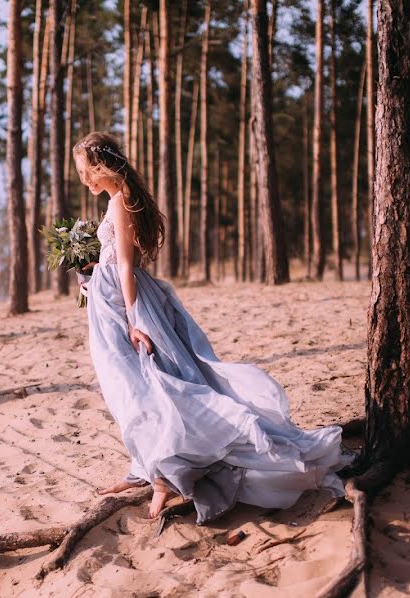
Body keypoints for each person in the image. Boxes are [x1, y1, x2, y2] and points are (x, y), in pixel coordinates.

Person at [72, 131, 350, 523]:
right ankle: (147, 469)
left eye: (86, 171)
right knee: (134, 388)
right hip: (113, 298)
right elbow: (117, 259)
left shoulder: (120, 202)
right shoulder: (122, 200)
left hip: (125, 304)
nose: (84, 179)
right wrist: (93, 271)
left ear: (102, 167)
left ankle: (164, 480)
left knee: (148, 387)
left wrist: (134, 321)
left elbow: (126, 266)